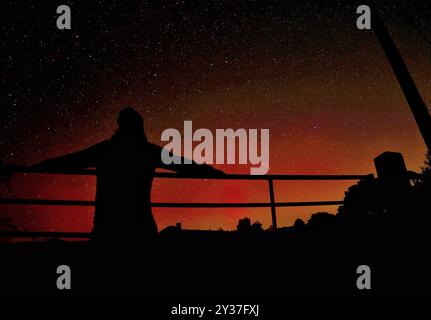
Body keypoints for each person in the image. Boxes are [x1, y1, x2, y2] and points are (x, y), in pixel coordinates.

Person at [33, 107, 224, 241]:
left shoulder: (106, 150)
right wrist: (213, 172)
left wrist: (41, 166)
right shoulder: (147, 151)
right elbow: (183, 164)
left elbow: (73, 161)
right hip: (139, 225)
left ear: (120, 127)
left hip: (107, 225)